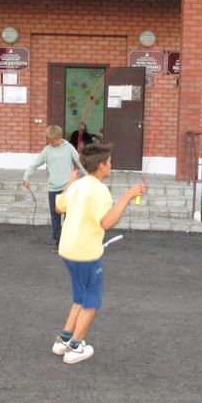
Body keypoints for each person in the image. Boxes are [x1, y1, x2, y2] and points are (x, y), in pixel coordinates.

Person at [51, 144, 145, 364]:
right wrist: (128, 196)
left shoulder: (77, 185)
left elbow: (58, 207)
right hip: (86, 253)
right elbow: (106, 222)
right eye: (109, 162)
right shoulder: (100, 190)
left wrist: (69, 182)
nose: (111, 165)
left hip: (67, 249)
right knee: (91, 302)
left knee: (80, 296)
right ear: (101, 166)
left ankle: (63, 340)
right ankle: (75, 347)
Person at [23, 125, 85, 250]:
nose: (50, 142)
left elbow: (80, 163)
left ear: (59, 138)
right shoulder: (47, 150)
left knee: (69, 216)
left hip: (68, 188)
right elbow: (35, 164)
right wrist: (26, 176)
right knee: (55, 216)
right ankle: (57, 241)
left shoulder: (69, 148)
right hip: (53, 188)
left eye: (52, 140)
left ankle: (68, 241)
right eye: (48, 140)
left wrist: (89, 177)